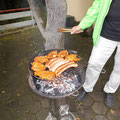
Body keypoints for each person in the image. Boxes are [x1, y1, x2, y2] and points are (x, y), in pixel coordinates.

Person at [71, 0, 120, 107]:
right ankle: (87, 87)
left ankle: (110, 90)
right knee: (94, 64)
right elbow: (95, 9)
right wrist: (82, 25)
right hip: (106, 34)